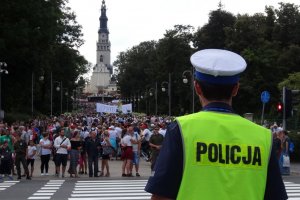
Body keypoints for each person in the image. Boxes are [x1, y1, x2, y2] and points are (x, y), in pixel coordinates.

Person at [145, 49, 287, 200]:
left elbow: (162, 195)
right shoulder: (263, 136)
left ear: (197, 87)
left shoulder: (180, 129)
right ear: (236, 89)